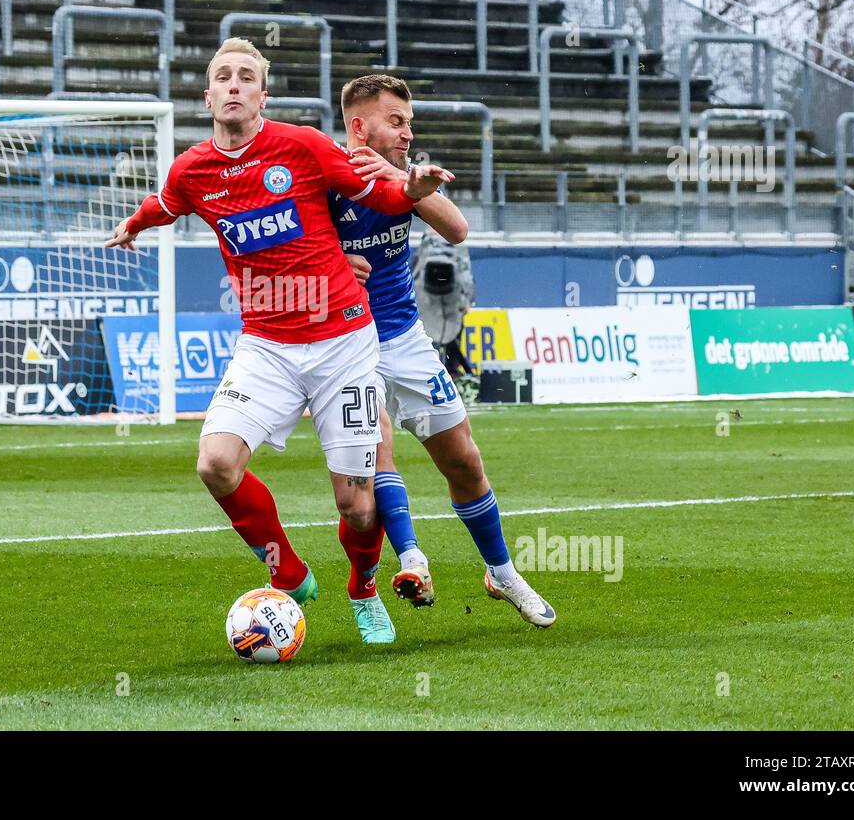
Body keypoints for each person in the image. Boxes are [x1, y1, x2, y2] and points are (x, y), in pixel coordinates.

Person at [105, 39, 448, 644]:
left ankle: (363, 587)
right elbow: (164, 204)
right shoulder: (192, 170)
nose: (234, 86)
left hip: (344, 342)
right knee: (215, 463)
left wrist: (414, 189)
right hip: (265, 344)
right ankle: (286, 568)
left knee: (359, 508)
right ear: (207, 95)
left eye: (246, 77)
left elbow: (382, 196)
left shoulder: (303, 146)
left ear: (263, 94)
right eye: (223, 78)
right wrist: (132, 225)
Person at [334, 74, 555, 627]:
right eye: (397, 122)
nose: (408, 134)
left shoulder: (402, 180)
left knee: (465, 461)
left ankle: (501, 572)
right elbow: (293, 247)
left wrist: (400, 180)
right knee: (374, 463)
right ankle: (404, 565)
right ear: (359, 126)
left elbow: (457, 230)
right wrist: (334, 265)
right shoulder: (321, 176)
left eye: (410, 123)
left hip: (406, 340)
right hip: (344, 342)